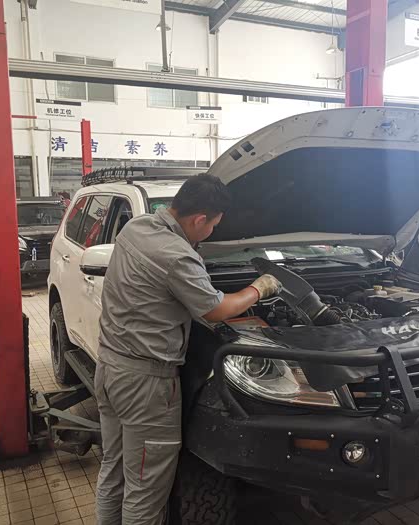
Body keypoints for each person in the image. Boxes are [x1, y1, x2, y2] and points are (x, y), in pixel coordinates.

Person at [94, 174, 281, 525]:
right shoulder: (177, 255)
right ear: (199, 219)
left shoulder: (136, 228)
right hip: (146, 386)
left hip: (110, 368)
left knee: (114, 470)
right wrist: (259, 288)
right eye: (213, 226)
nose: (211, 232)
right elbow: (217, 309)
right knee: (145, 490)